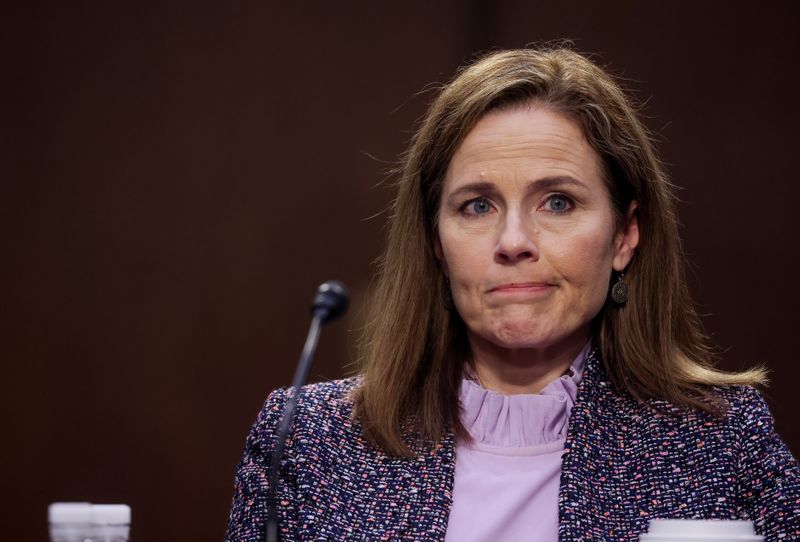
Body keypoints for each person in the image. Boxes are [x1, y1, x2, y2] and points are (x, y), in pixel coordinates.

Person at [225, 47, 799, 541]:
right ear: (436, 243)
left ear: (625, 236)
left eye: (558, 202)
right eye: (478, 205)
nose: (514, 241)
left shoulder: (720, 444)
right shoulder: (308, 442)